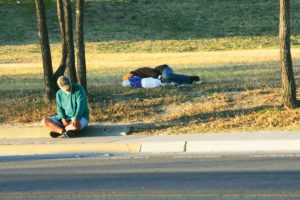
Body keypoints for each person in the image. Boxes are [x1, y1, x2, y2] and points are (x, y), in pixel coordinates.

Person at [129, 64, 200, 85]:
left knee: (166, 76)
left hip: (164, 69)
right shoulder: (140, 80)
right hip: (161, 76)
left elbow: (152, 72)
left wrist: (159, 77)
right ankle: (188, 82)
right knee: (166, 82)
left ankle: (189, 78)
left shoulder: (140, 71)